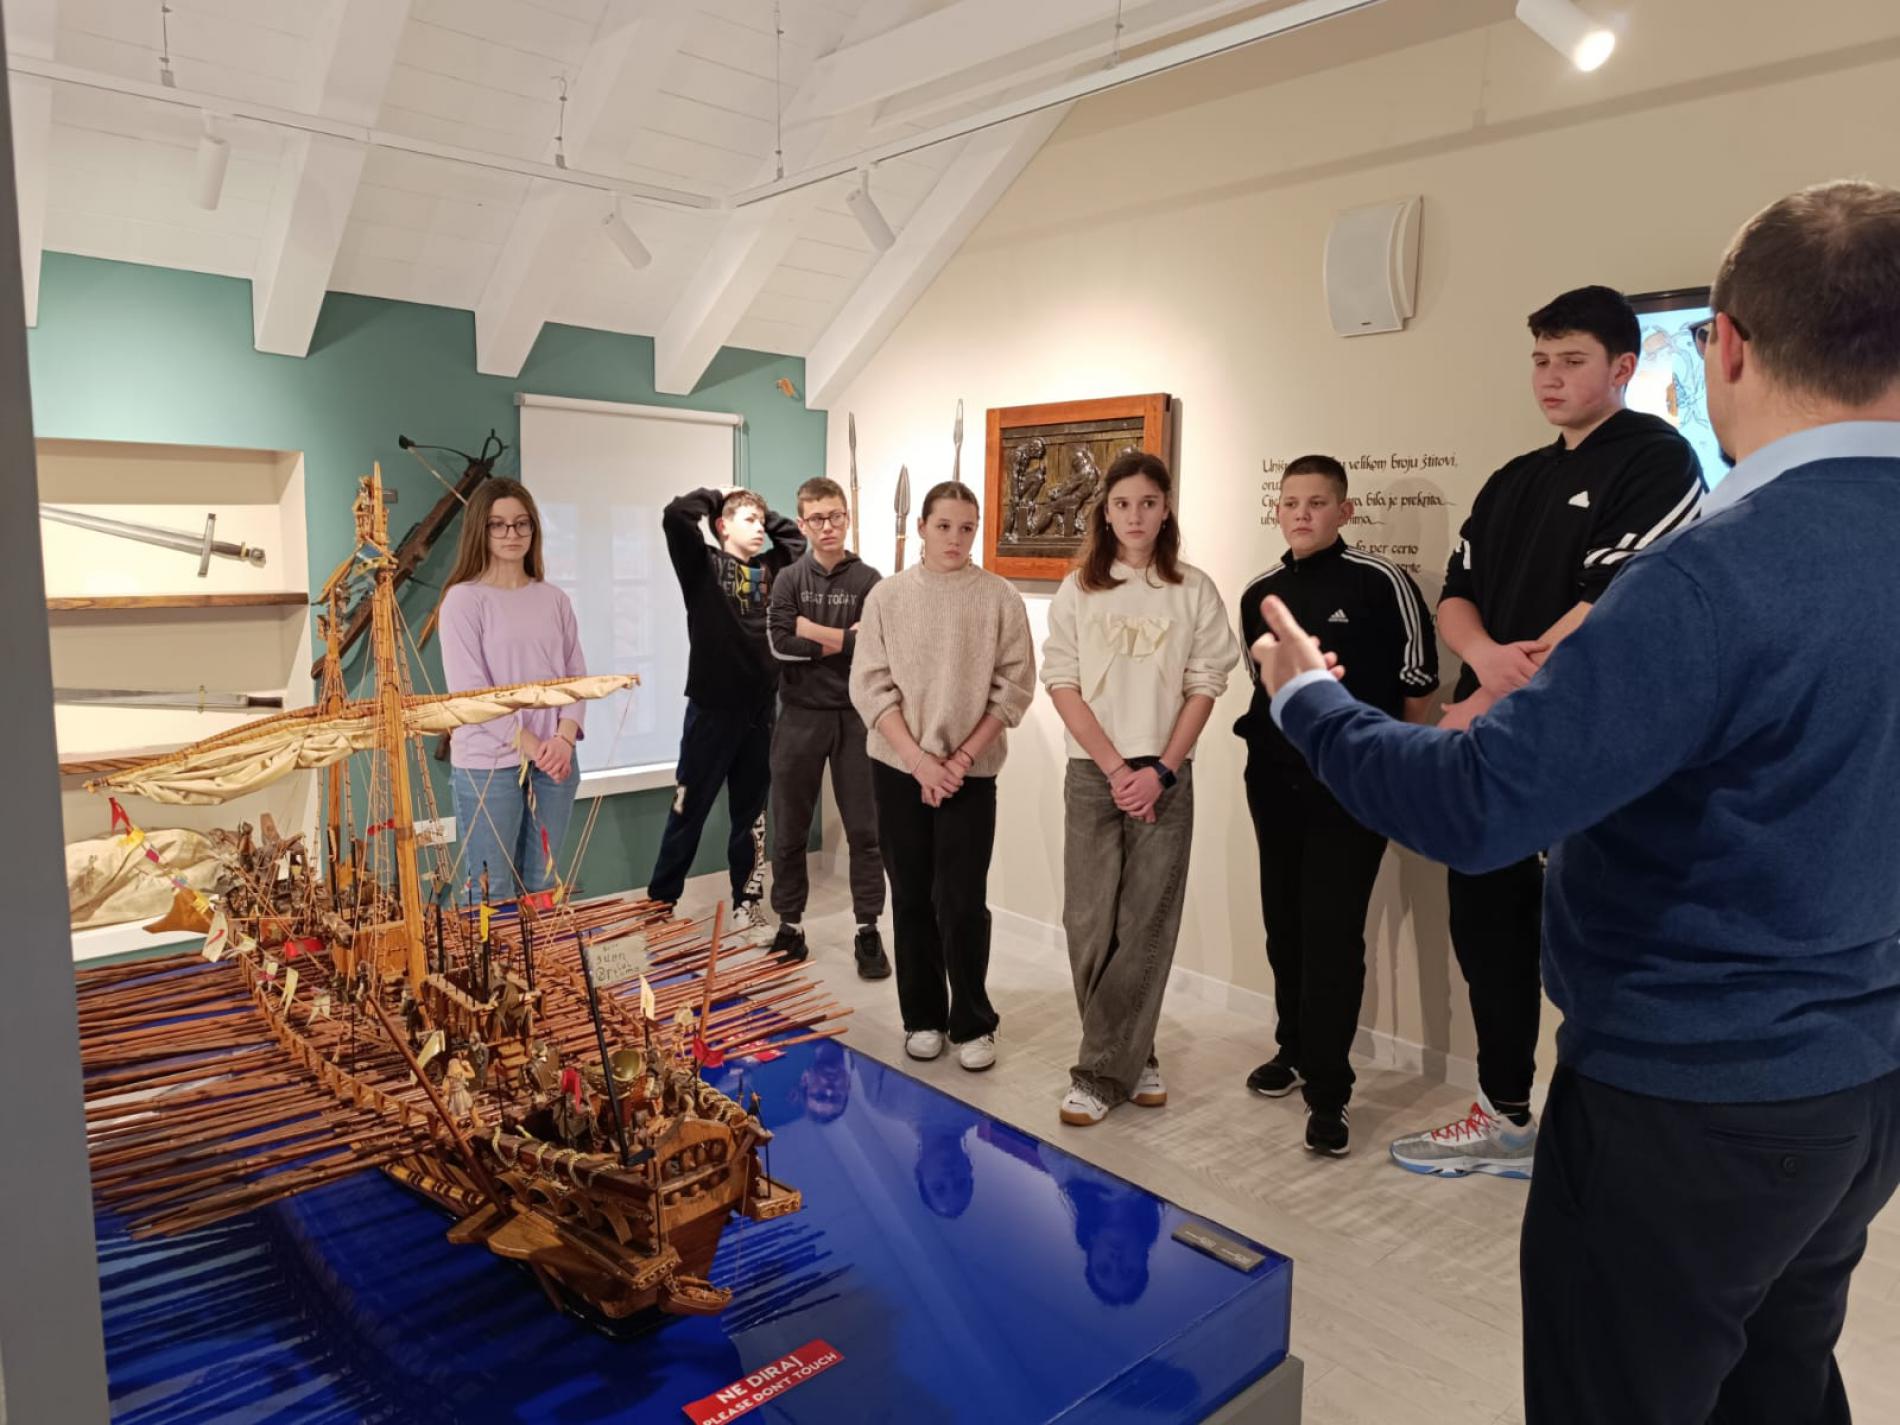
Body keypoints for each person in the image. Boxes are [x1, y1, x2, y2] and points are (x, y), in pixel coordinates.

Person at [1251, 179, 1900, 1425]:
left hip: (1689, 1099)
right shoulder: (1619, 519)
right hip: (1860, 1081)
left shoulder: (1713, 570)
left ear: (1724, 346)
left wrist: (1309, 705)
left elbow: (1477, 807)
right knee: (1776, 1383)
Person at [1389, 284, 1703, 1178]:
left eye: (1571, 360)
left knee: (1596, 945)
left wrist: (1495, 692)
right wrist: (1485, 659)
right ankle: (1505, 1114)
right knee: (1488, 932)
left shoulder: (1658, 460)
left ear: (1624, 367)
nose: (1550, 377)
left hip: (1590, 752)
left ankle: (1606, 1135)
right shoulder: (1513, 478)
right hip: (1491, 750)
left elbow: (1613, 606)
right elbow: (1456, 598)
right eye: (1540, 360)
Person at [1235, 455, 1437, 1156]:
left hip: (1349, 788)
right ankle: (1292, 1049)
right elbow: (1263, 684)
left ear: (1344, 511)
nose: (1301, 514)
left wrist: (1389, 770)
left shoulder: (1382, 582)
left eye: (1317, 502)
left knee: (1332, 934)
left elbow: (1417, 686)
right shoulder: (1259, 592)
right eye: (1290, 502)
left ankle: (1329, 1092)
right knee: (1284, 924)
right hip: (1274, 781)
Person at [1040, 452, 1237, 1128]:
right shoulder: (1078, 589)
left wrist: (1161, 771)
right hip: (1094, 773)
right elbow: (1061, 681)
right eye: (1123, 503)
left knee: (1146, 923)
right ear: (1105, 510)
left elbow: (1206, 683)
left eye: (1148, 503)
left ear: (1166, 508)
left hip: (1165, 775)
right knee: (1089, 921)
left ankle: (1100, 1074)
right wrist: (1116, 769)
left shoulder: (1194, 589)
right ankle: (1134, 1053)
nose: (1135, 516)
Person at [849, 481, 1035, 1073]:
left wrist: (957, 761)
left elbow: (1013, 687)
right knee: (910, 896)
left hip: (969, 774)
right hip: (898, 767)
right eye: (944, 526)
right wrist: (919, 761)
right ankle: (923, 1017)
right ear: (923, 528)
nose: (955, 538)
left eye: (967, 528)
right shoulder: (887, 596)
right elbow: (870, 685)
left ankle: (973, 1021)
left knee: (961, 900)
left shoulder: (1000, 598)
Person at [647, 484, 805, 935]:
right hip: (711, 709)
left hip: (761, 711)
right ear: (721, 526)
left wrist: (761, 507)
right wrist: (720, 495)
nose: (759, 528)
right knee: (688, 809)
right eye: (748, 520)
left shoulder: (772, 568)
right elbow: (676, 515)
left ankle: (746, 904)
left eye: (761, 521)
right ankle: (661, 903)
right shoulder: (702, 565)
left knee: (751, 818)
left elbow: (796, 541)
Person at [765, 476, 889, 978]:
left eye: (835, 515)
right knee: (790, 828)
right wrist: (843, 639)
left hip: (857, 717)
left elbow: (875, 646)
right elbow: (779, 643)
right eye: (817, 518)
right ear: (802, 524)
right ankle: (789, 926)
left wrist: (811, 631)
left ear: (847, 518)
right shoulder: (788, 579)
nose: (828, 526)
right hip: (799, 716)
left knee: (866, 830)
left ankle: (868, 930)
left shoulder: (871, 581)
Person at [438, 478, 585, 900]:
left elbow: (576, 676)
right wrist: (533, 745)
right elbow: (472, 693)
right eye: (498, 524)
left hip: (554, 760)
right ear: (480, 531)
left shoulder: (554, 599)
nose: (512, 534)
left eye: (522, 523)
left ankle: (539, 949)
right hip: (489, 762)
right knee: (492, 891)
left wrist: (563, 739)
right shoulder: (463, 601)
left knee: (543, 884)